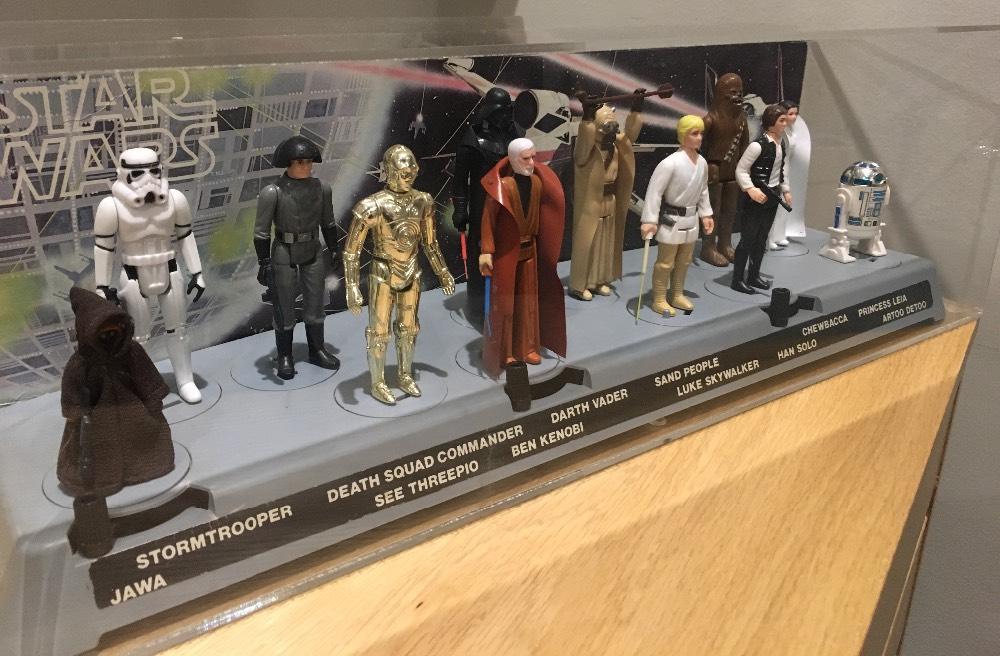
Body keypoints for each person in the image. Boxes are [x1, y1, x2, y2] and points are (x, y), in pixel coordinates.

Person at [344, 145, 455, 405]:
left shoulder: (423, 201)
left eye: (412, 168)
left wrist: (443, 272)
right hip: (383, 271)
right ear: (391, 170)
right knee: (379, 331)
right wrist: (351, 286)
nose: (410, 173)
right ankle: (378, 382)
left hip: (411, 270)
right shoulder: (372, 205)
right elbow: (351, 251)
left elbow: (430, 243)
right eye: (404, 169)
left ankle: (405, 374)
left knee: (409, 328)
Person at [93, 147, 206, 403]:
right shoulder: (111, 206)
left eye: (153, 170)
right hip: (133, 273)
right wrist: (102, 286)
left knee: (178, 330)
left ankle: (185, 380)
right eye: (138, 173)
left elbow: (185, 235)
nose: (147, 178)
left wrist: (197, 271)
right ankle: (142, 388)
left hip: (169, 267)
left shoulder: (175, 199)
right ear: (123, 173)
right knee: (138, 338)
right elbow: (104, 248)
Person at [254, 135, 341, 380]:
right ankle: (285, 355)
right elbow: (261, 232)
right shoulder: (273, 192)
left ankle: (317, 350)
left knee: (315, 303)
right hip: (284, 251)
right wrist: (264, 262)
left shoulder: (322, 188)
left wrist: (334, 247)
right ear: (288, 163)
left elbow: (328, 221)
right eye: (300, 162)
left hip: (313, 249)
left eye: (309, 161)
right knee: (284, 307)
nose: (306, 166)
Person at [478, 138, 566, 377]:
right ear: (514, 159)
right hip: (507, 253)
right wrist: (486, 251)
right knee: (506, 303)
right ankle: (506, 351)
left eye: (533, 157)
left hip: (530, 250)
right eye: (526, 158)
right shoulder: (504, 187)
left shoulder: (537, 183)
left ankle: (527, 348)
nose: (531, 162)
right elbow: (488, 218)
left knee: (528, 302)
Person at [451, 87, 524, 330]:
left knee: (507, 256)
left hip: (509, 207)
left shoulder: (514, 135)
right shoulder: (472, 141)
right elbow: (460, 181)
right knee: (480, 258)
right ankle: (478, 309)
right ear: (491, 112)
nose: (506, 117)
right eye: (501, 112)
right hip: (481, 207)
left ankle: (506, 307)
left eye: (508, 111)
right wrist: (460, 209)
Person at [569, 91, 643, 300]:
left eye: (613, 127)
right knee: (588, 243)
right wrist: (587, 118)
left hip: (610, 200)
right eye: (606, 127)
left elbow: (630, 136)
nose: (612, 132)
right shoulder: (586, 151)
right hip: (590, 203)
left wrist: (636, 109)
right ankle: (581, 284)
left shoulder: (616, 147)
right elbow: (584, 142)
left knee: (606, 241)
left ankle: (600, 279)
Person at [639, 115, 715, 315]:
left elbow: (703, 190)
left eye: (701, 134)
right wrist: (649, 220)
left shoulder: (702, 163)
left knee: (684, 261)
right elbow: (654, 192)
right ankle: (659, 298)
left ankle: (677, 293)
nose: (699, 138)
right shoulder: (669, 163)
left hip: (692, 218)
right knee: (666, 262)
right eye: (694, 133)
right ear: (683, 135)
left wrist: (706, 214)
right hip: (672, 219)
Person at [731, 104, 792, 294]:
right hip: (755, 200)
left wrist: (786, 190)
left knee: (761, 239)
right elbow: (741, 170)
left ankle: (753, 275)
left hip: (773, 197)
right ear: (771, 122)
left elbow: (781, 170)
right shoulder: (757, 146)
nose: (786, 123)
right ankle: (737, 279)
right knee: (747, 240)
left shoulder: (781, 144)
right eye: (781, 120)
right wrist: (750, 189)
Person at [700, 73, 749, 267]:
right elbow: (696, 146)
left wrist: (743, 167)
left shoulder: (742, 119)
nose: (738, 96)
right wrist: (707, 165)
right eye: (733, 92)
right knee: (712, 211)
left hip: (733, 172)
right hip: (715, 172)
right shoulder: (710, 120)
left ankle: (725, 244)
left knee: (730, 211)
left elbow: (744, 145)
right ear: (721, 94)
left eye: (740, 92)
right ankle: (708, 247)